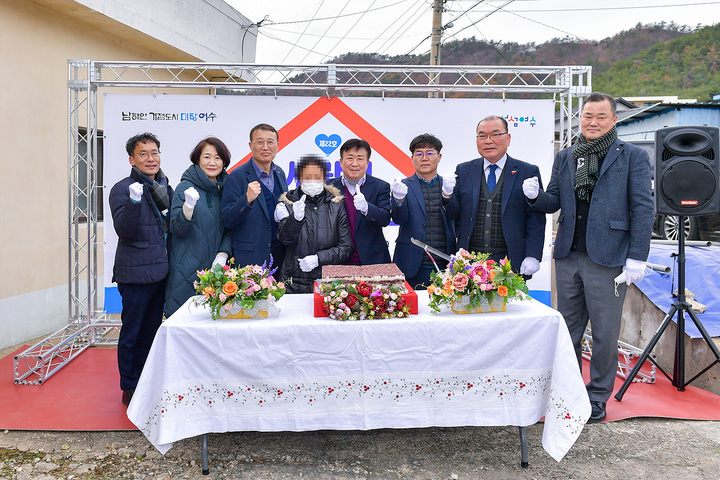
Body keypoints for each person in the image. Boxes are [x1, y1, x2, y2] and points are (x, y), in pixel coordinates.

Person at [523, 92, 654, 422]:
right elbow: (554, 200)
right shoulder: (566, 156)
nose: (592, 122)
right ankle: (565, 390)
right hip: (568, 254)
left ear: (613, 120)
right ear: (579, 118)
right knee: (566, 331)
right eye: (587, 117)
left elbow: (642, 207)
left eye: (600, 117)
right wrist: (537, 197)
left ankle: (597, 396)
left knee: (606, 333)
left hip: (608, 258)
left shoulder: (632, 157)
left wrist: (636, 256)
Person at [109, 132, 173, 406]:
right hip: (135, 274)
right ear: (131, 159)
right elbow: (125, 230)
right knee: (132, 333)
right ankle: (129, 386)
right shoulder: (123, 189)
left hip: (160, 272)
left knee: (151, 332)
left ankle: (146, 380)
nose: (151, 158)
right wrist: (135, 202)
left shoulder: (165, 188)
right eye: (143, 154)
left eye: (154, 152)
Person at [444, 115, 546, 277]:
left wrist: (533, 255)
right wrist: (447, 196)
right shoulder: (464, 170)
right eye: (482, 136)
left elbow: (535, 218)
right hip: (470, 261)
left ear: (508, 138)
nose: (488, 141)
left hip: (510, 261)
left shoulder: (527, 171)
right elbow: (454, 213)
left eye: (495, 134)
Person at [165, 137, 232, 317]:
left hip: (217, 271)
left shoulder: (227, 188)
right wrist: (188, 207)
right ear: (197, 159)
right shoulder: (185, 187)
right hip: (186, 269)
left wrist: (223, 254)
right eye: (207, 157)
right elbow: (177, 229)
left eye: (217, 158)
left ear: (224, 161)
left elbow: (231, 226)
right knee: (184, 324)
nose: (212, 163)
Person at [274, 155, 353, 293]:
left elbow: (346, 247)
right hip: (292, 283)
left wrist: (318, 259)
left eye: (317, 177)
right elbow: (284, 240)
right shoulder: (288, 203)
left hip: (327, 283)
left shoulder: (336, 204)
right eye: (307, 176)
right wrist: (296, 220)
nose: (312, 181)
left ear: (324, 178)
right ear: (299, 179)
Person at [390, 133, 456, 289]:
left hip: (445, 264)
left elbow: (457, 215)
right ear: (412, 158)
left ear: (439, 157)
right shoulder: (402, 186)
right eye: (419, 154)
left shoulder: (450, 185)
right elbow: (399, 219)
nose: (424, 158)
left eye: (430, 153)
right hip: (411, 265)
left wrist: (448, 195)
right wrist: (399, 200)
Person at [221, 124, 288, 269]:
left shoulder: (280, 173)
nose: (265, 147)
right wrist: (246, 200)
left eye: (270, 142)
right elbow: (226, 220)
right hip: (250, 259)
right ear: (251, 145)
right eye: (260, 142)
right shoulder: (237, 177)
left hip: (279, 256)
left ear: (277, 145)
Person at [330, 139, 391, 265]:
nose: (355, 163)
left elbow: (385, 219)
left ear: (367, 163)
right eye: (350, 158)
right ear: (341, 162)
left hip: (373, 259)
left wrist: (367, 208)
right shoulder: (328, 187)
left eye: (360, 159)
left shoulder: (380, 186)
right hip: (337, 259)